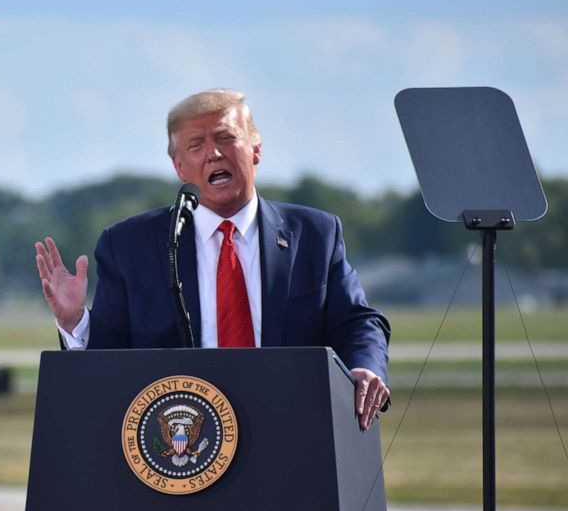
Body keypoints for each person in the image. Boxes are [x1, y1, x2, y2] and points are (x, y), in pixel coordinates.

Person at [35, 89, 390, 430]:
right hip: (183, 443)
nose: (214, 154)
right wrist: (75, 322)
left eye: (225, 138)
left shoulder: (315, 234)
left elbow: (358, 322)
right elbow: (110, 359)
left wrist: (366, 368)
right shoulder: (130, 245)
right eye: (196, 145)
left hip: (292, 427)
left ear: (256, 149)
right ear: (179, 167)